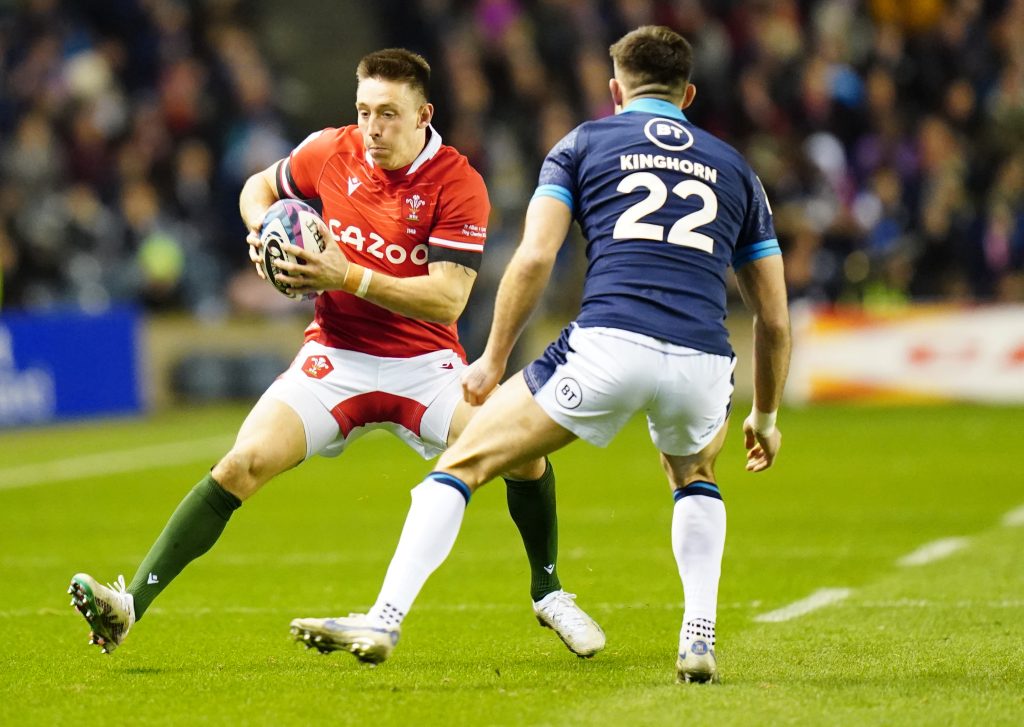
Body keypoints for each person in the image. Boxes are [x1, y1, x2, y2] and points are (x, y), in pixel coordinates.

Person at [67, 48, 604, 660]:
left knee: (523, 452)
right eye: (364, 111)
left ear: (424, 115)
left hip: (424, 366)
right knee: (241, 464)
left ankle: (549, 591)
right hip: (335, 356)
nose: (372, 129)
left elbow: (449, 300)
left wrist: (345, 275)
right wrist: (261, 230)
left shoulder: (458, 182)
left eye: (389, 115)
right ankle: (129, 606)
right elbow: (258, 187)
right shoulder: (332, 150)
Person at [307, 26, 791, 683]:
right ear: (690, 93)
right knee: (694, 474)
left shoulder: (583, 143)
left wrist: (494, 355)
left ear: (615, 89)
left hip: (609, 342)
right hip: (704, 358)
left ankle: (385, 616)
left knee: (465, 461)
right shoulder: (736, 167)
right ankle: (698, 634)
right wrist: (764, 414)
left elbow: (535, 257)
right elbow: (773, 317)